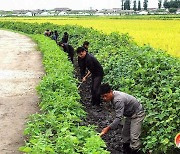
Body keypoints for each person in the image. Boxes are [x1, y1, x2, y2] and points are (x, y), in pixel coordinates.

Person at [99, 83, 145, 154]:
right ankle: (126, 151)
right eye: (102, 97)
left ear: (110, 92)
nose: (104, 98)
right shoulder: (113, 97)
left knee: (134, 137)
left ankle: (135, 150)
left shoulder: (118, 100)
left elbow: (118, 118)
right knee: (125, 134)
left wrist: (107, 128)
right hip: (130, 114)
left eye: (105, 96)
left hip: (137, 114)